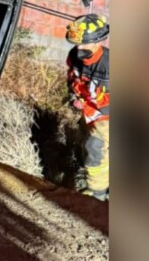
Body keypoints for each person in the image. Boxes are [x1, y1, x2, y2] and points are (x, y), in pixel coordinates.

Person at [65, 13, 110, 201]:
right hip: (90, 112)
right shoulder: (74, 57)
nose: (79, 48)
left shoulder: (109, 64)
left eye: (84, 44)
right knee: (91, 146)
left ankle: (98, 192)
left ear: (98, 41)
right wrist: (73, 95)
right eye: (77, 43)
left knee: (94, 146)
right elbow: (71, 78)